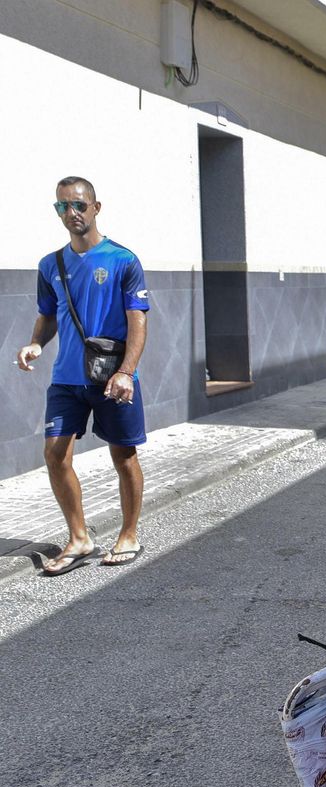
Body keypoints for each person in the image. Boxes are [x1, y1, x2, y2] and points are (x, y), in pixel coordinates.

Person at [16, 176, 150, 574]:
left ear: (96, 207)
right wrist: (36, 343)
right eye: (62, 207)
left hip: (112, 378)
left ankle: (128, 534)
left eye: (77, 205)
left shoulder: (123, 260)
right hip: (66, 380)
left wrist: (127, 372)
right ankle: (79, 537)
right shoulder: (50, 264)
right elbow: (48, 315)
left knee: (123, 456)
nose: (70, 213)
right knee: (54, 455)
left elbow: (137, 322)